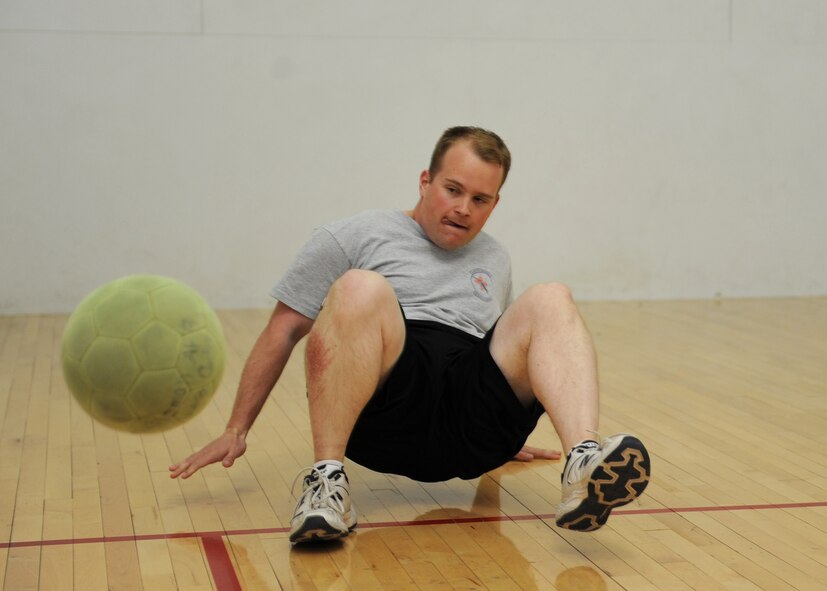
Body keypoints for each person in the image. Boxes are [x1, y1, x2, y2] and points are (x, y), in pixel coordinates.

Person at [169, 126, 651, 543]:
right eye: (453, 189)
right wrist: (237, 428)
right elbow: (284, 329)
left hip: (468, 420)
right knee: (362, 286)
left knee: (550, 295)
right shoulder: (352, 236)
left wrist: (505, 435)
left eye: (480, 199)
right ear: (425, 181)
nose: (463, 209)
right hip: (387, 409)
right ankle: (326, 484)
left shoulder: (494, 257)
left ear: (495, 203)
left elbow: (506, 353)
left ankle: (583, 464)